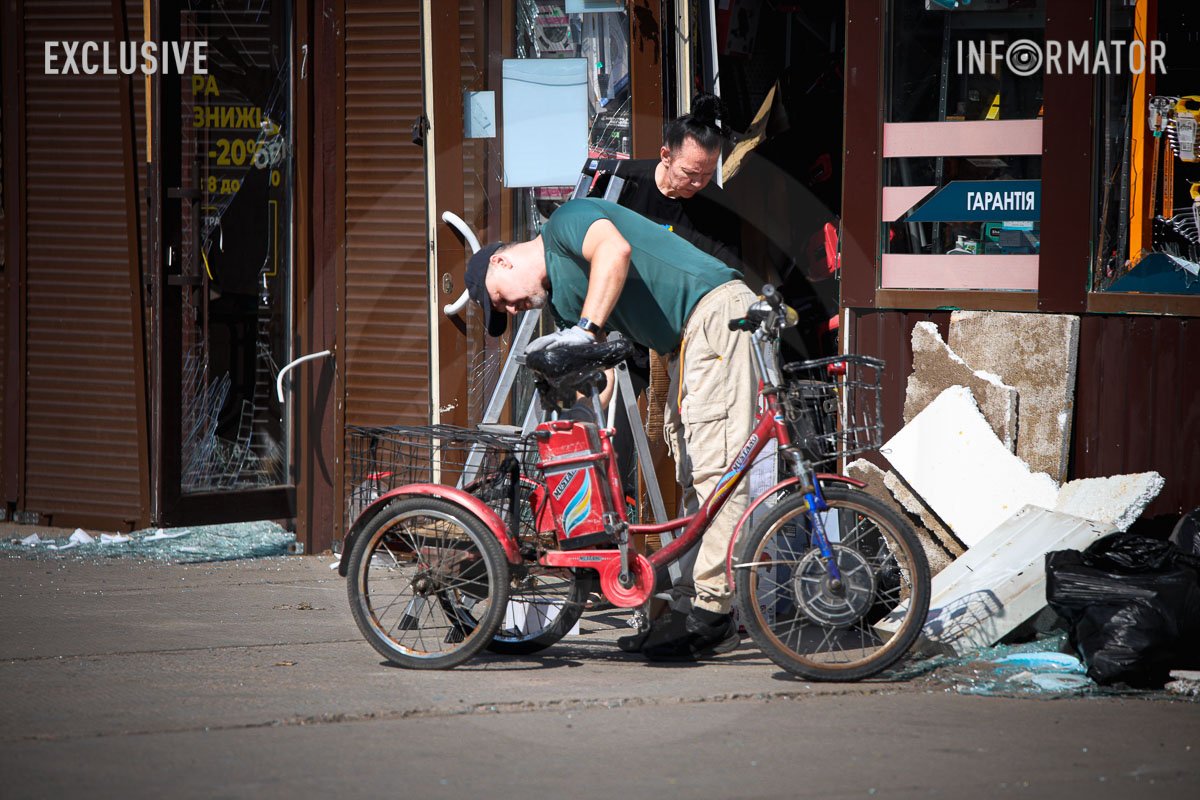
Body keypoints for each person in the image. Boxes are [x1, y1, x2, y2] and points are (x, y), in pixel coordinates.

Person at [465, 197, 757, 661]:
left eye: (501, 297)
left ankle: (711, 612)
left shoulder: (565, 222)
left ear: (501, 259)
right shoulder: (564, 301)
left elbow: (614, 251)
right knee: (692, 471)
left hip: (715, 312)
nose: (514, 309)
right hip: (684, 340)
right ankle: (688, 605)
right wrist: (568, 439)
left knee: (717, 470)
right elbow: (596, 386)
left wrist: (585, 330)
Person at [616, 93, 742, 270]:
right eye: (690, 173)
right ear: (666, 156)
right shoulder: (623, 181)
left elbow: (727, 274)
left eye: (708, 174)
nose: (698, 183)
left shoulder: (720, 207)